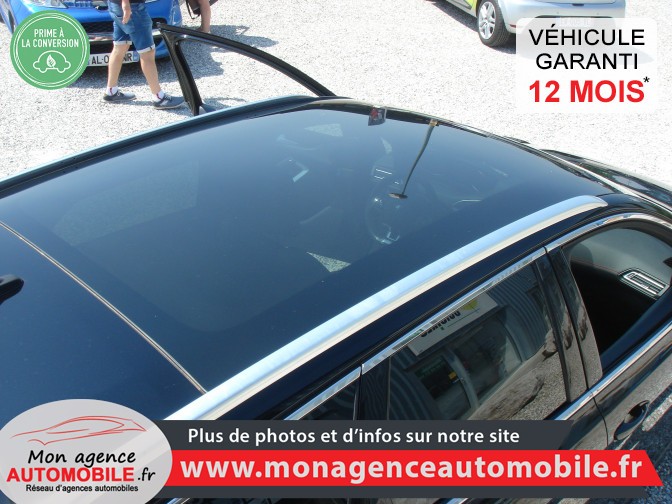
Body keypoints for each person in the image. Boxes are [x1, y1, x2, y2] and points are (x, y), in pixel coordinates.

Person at [103, 0, 184, 109]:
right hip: (132, 7)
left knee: (120, 46)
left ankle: (111, 91)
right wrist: (126, 4)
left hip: (116, 5)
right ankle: (159, 98)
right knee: (147, 52)